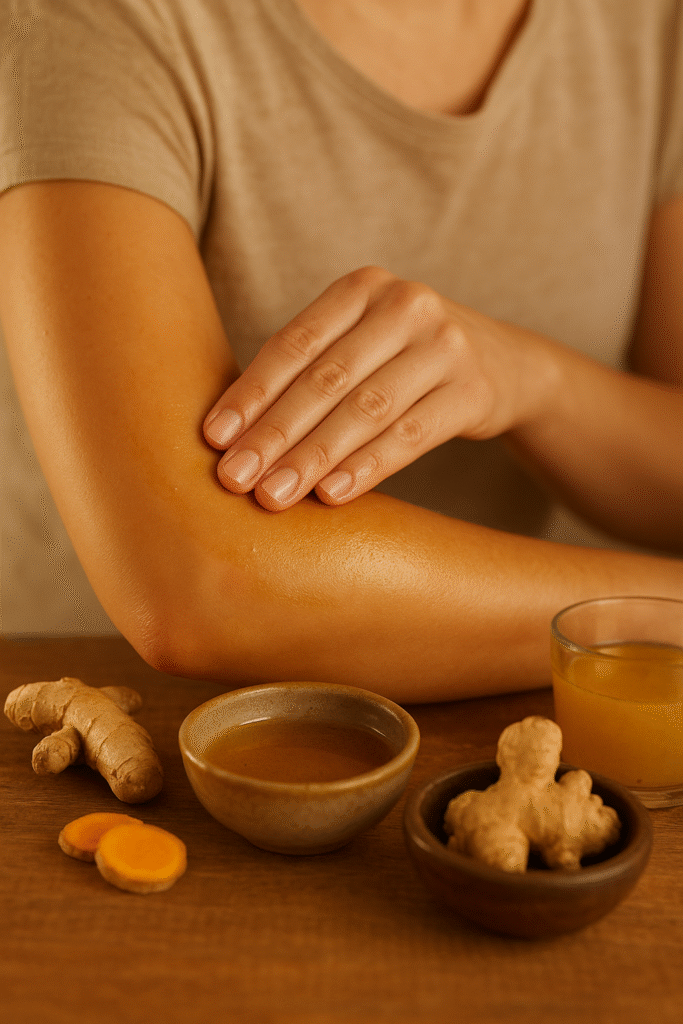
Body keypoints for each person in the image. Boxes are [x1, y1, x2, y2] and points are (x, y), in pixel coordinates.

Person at [0, 0, 682, 703]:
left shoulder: (650, 22)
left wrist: (537, 383)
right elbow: (200, 589)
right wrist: (642, 616)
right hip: (104, 713)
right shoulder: (96, 17)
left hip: (487, 714)